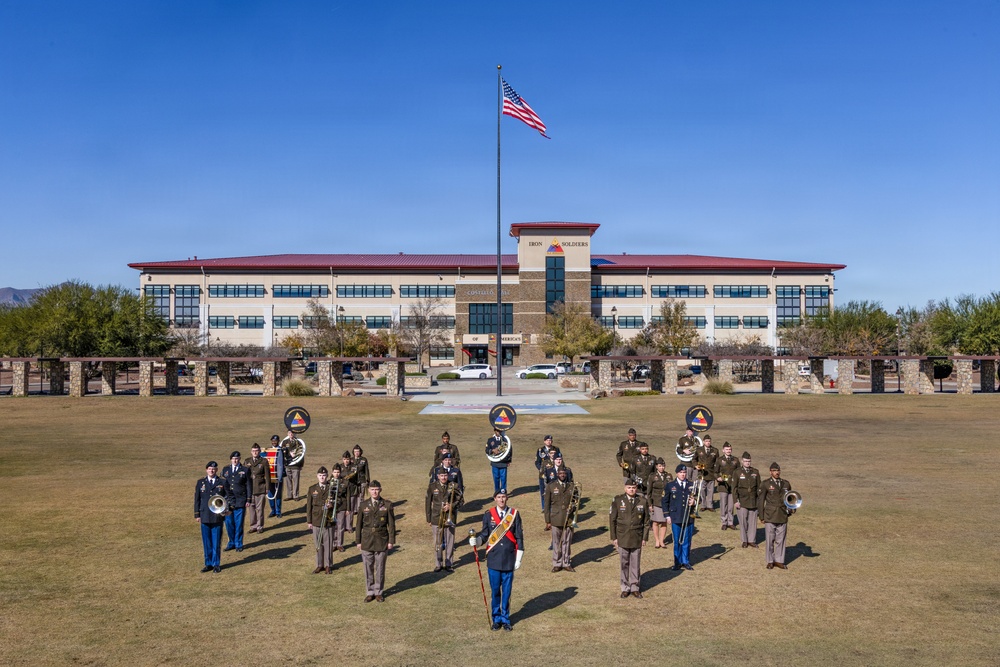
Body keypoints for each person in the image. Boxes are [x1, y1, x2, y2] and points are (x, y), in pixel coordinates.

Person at [470, 489, 524, 631]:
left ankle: (506, 619)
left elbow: (519, 536)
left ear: (507, 498)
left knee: (507, 592)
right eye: (499, 497)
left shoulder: (514, 514)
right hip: (493, 560)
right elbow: (485, 534)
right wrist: (477, 541)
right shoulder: (488, 515)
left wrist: (519, 558)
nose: (501, 500)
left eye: (504, 497)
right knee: (495, 591)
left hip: (508, 559)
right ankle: (496, 619)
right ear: (495, 499)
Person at [609, 478, 650, 598]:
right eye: (629, 488)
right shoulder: (618, 500)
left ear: (636, 488)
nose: (631, 490)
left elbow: (646, 521)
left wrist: (644, 538)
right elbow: (612, 520)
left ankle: (635, 586)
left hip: (637, 536)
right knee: (624, 563)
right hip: (622, 536)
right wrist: (614, 537)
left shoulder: (642, 501)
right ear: (625, 488)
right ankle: (625, 587)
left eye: (633, 488)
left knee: (635, 563)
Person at [355, 480, 396, 601]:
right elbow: (358, 525)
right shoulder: (363, 505)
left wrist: (391, 541)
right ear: (369, 490)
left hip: (382, 539)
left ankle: (378, 592)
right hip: (367, 540)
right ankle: (370, 591)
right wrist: (358, 541)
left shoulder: (387, 504)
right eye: (372, 489)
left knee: (380, 567)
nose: (374, 491)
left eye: (377, 489)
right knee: (368, 568)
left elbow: (392, 525)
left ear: (380, 490)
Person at [426, 468, 463, 572]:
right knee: (437, 542)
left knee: (450, 542)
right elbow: (427, 503)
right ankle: (438, 564)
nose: (443, 478)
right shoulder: (432, 486)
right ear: (438, 476)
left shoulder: (454, 486)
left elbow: (461, 501)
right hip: (436, 517)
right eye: (441, 476)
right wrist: (428, 518)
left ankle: (449, 563)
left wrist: (451, 506)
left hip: (450, 517)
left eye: (445, 475)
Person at [758, 462, 794, 569]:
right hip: (770, 515)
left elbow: (791, 498)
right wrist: (761, 516)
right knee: (770, 539)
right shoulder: (765, 484)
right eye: (774, 471)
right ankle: (770, 560)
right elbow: (761, 501)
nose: (776, 472)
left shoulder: (786, 484)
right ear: (770, 472)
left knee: (781, 539)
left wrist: (792, 509)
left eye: (778, 470)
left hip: (782, 515)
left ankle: (779, 560)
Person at [194, 461, 228, 573]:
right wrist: (197, 514)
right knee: (206, 542)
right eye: (209, 469)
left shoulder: (222, 481)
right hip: (204, 516)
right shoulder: (200, 482)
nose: (211, 471)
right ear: (206, 470)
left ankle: (216, 564)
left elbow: (229, 496)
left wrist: (228, 509)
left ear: (217, 470)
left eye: (213, 469)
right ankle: (208, 563)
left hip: (217, 516)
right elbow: (197, 499)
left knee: (216, 541)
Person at [664, 465, 696, 571]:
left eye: (684, 472)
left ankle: (685, 561)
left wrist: (694, 501)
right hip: (675, 517)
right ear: (677, 473)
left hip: (688, 516)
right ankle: (677, 562)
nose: (683, 474)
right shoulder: (670, 485)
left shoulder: (691, 485)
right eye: (681, 472)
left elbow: (699, 497)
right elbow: (665, 501)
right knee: (677, 541)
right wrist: (667, 516)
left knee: (687, 540)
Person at [543, 468, 576, 572]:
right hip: (555, 518)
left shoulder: (572, 486)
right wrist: (547, 521)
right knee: (557, 542)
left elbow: (576, 501)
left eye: (564, 473)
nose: (562, 475)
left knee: (567, 541)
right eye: (560, 473)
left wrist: (573, 507)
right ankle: (557, 563)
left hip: (568, 518)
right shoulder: (551, 486)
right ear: (557, 474)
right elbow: (547, 505)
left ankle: (566, 562)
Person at [306, 466, 335, 574]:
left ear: (327, 476)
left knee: (328, 543)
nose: (322, 477)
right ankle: (319, 565)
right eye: (320, 475)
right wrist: (309, 521)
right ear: (317, 476)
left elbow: (339, 501)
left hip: (328, 520)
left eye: (324, 475)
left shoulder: (332, 487)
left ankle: (328, 565)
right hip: (316, 520)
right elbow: (309, 506)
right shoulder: (312, 489)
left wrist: (331, 505)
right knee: (318, 544)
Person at [221, 450, 251, 552]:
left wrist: (248, 499)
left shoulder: (245, 470)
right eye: (234, 458)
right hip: (228, 501)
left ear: (239, 459)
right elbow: (221, 484)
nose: (235, 460)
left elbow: (248, 485)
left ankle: (239, 543)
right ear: (231, 459)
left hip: (240, 500)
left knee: (238, 523)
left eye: (237, 458)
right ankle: (231, 542)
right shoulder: (225, 469)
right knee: (229, 523)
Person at [733, 451, 761, 548]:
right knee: (743, 521)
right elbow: (734, 488)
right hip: (742, 500)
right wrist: (735, 501)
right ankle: (744, 540)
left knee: (753, 522)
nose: (747, 463)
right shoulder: (737, 472)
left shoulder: (755, 472)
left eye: (749, 461)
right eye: (745, 461)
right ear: (742, 461)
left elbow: (759, 487)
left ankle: (751, 540)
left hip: (753, 501)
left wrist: (759, 501)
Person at [645, 457, 673, 549]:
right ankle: (657, 540)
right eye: (660, 466)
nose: (662, 468)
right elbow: (649, 492)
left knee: (664, 521)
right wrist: (650, 504)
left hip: (666, 502)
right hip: (656, 501)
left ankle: (662, 540)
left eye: (663, 466)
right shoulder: (652, 476)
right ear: (656, 466)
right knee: (656, 522)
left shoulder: (668, 476)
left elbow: (672, 489)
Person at [246, 443, 272, 533]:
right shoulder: (247, 461)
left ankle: (260, 526)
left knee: (260, 509)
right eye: (253, 451)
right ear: (251, 452)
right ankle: (253, 526)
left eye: (256, 451)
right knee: (251, 509)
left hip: (260, 487)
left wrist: (267, 488)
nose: (255, 452)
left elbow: (268, 476)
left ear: (260, 451)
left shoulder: (263, 461)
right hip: (250, 489)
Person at [715, 442, 740, 531]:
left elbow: (739, 472)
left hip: (732, 486)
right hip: (723, 486)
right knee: (723, 504)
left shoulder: (735, 460)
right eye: (727, 449)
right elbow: (715, 471)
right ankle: (724, 522)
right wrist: (718, 478)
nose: (728, 451)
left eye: (730, 449)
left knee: (730, 505)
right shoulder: (719, 460)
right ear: (723, 450)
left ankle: (730, 522)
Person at [328, 464, 351, 552]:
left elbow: (348, 496)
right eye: (335, 472)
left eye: (338, 472)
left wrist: (348, 508)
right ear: (332, 472)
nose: (336, 474)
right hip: (332, 507)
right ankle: (333, 543)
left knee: (340, 526)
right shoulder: (329, 482)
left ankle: (339, 544)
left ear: (340, 472)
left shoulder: (345, 482)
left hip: (342, 506)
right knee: (333, 525)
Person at [694, 434, 720, 511]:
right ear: (703, 442)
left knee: (711, 491)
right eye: (706, 441)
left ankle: (710, 505)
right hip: (702, 473)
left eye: (709, 441)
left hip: (711, 473)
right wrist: (696, 466)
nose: (708, 442)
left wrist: (717, 472)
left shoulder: (715, 450)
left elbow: (717, 462)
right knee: (702, 490)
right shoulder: (699, 450)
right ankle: (703, 505)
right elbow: (694, 459)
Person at [535, 435, 558, 509]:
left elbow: (559, 460)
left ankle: (553, 506)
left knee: (554, 491)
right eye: (547, 440)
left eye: (550, 440)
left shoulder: (556, 449)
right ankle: (544, 507)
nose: (549, 441)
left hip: (554, 474)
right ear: (544, 441)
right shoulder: (540, 450)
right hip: (543, 475)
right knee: (543, 491)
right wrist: (541, 469)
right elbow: (537, 462)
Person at [486, 427, 512, 495]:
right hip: (495, 463)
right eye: (497, 431)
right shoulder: (490, 440)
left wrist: (509, 461)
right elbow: (486, 450)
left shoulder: (505, 440)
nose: (498, 432)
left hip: (503, 462)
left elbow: (509, 450)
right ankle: (497, 493)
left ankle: (503, 493)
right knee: (496, 479)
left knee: (503, 479)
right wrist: (492, 450)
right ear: (494, 431)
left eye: (500, 431)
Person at [283, 430, 305, 501]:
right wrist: (289, 455)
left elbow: (301, 453)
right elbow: (282, 453)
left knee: (296, 481)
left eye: (292, 433)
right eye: (289, 433)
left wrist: (301, 465)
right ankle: (289, 495)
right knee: (288, 481)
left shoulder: (298, 442)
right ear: (287, 434)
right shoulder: (285, 442)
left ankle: (296, 495)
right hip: (287, 465)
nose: (291, 434)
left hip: (296, 465)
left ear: (295, 433)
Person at [267, 434, 285, 518]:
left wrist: (280, 477)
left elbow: (280, 465)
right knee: (270, 494)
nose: (274, 442)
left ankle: (278, 511)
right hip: (269, 477)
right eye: (273, 441)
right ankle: (273, 510)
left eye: (276, 441)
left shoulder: (280, 450)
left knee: (278, 494)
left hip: (277, 476)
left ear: (278, 441)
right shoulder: (268, 450)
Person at [341, 451, 359, 529]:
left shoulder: (354, 467)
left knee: (350, 509)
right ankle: (342, 525)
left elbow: (355, 476)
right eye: (345, 459)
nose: (346, 461)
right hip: (342, 491)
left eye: (347, 459)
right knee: (342, 508)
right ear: (342, 459)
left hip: (352, 490)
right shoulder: (339, 467)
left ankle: (349, 526)